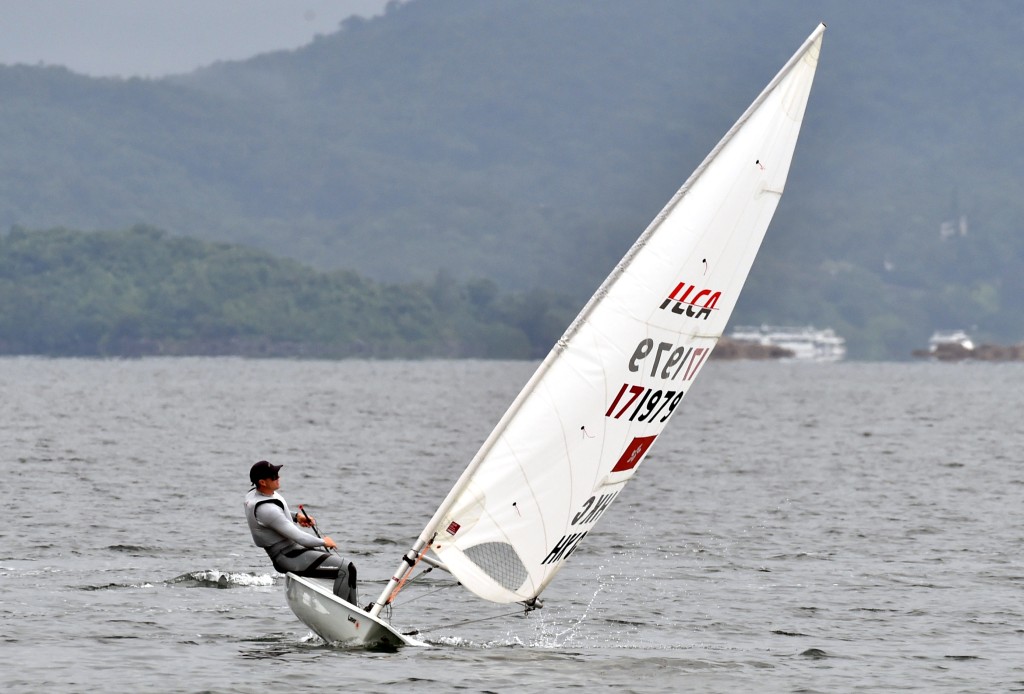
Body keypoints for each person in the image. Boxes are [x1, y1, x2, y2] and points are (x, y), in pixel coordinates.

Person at [243, 460, 358, 605]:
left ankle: (353, 610)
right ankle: (348, 616)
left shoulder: (254, 495)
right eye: (273, 476)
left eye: (277, 474)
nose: (278, 478)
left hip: (293, 552)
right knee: (345, 569)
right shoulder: (266, 510)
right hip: (288, 557)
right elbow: (299, 537)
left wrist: (297, 517)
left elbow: (276, 515)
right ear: (262, 482)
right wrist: (324, 541)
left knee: (348, 568)